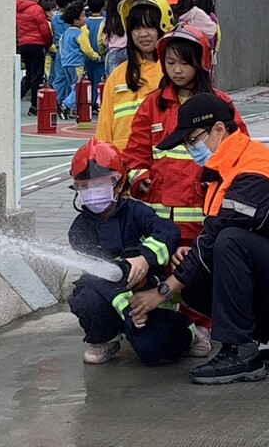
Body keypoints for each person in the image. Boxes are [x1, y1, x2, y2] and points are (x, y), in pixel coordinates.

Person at [129, 92, 269, 385]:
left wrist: (162, 291)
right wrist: (187, 265)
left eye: (193, 140)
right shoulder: (224, 170)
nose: (191, 149)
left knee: (230, 241)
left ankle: (240, 352)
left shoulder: (256, 166)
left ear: (219, 129)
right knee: (195, 284)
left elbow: (222, 235)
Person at [122, 23, 248, 355]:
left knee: (200, 269)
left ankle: (202, 325)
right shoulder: (152, 106)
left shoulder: (221, 105)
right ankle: (166, 322)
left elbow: (241, 152)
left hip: (203, 215)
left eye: (185, 63)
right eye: (171, 62)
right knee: (161, 268)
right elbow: (133, 154)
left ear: (201, 63)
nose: (177, 70)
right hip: (160, 219)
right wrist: (139, 179)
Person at [68, 138, 196, 365]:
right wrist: (128, 309)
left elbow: (168, 231)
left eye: (102, 183)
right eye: (86, 186)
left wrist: (145, 259)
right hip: (115, 298)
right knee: (86, 298)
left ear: (119, 183)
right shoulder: (79, 230)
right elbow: (99, 276)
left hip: (150, 297)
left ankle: (185, 331)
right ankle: (105, 338)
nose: (93, 192)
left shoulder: (136, 212)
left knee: (151, 351)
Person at [96, 0, 174, 151]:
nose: (143, 34)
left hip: (166, 168)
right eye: (136, 28)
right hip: (125, 166)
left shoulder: (175, 74)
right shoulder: (118, 76)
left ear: (163, 27)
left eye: (150, 27)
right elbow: (103, 131)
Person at [59, 2, 102, 118]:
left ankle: (73, 109)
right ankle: (65, 105)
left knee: (72, 85)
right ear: (76, 20)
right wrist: (97, 57)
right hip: (77, 63)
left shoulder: (65, 34)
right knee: (78, 87)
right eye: (83, 16)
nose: (85, 18)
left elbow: (61, 47)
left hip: (65, 63)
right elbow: (87, 49)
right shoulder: (80, 34)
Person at [16, 0, 53, 116]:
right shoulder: (36, 9)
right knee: (37, 76)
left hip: (23, 44)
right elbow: (44, 30)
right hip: (36, 44)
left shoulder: (18, 8)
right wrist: (49, 43)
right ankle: (34, 105)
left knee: (29, 75)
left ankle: (14, 99)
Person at [85, 0, 106, 112]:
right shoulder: (105, 22)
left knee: (89, 80)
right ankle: (96, 103)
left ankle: (88, 102)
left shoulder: (86, 22)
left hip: (88, 56)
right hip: (101, 56)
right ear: (103, 7)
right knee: (99, 80)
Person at [51, 0, 72, 107]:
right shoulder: (69, 18)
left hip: (59, 49)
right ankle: (67, 102)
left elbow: (53, 34)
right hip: (69, 49)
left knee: (59, 77)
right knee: (71, 79)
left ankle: (54, 101)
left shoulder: (54, 19)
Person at [102, 0, 129, 76]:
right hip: (127, 50)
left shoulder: (108, 21)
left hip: (114, 52)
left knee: (113, 78)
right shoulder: (126, 19)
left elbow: (105, 41)